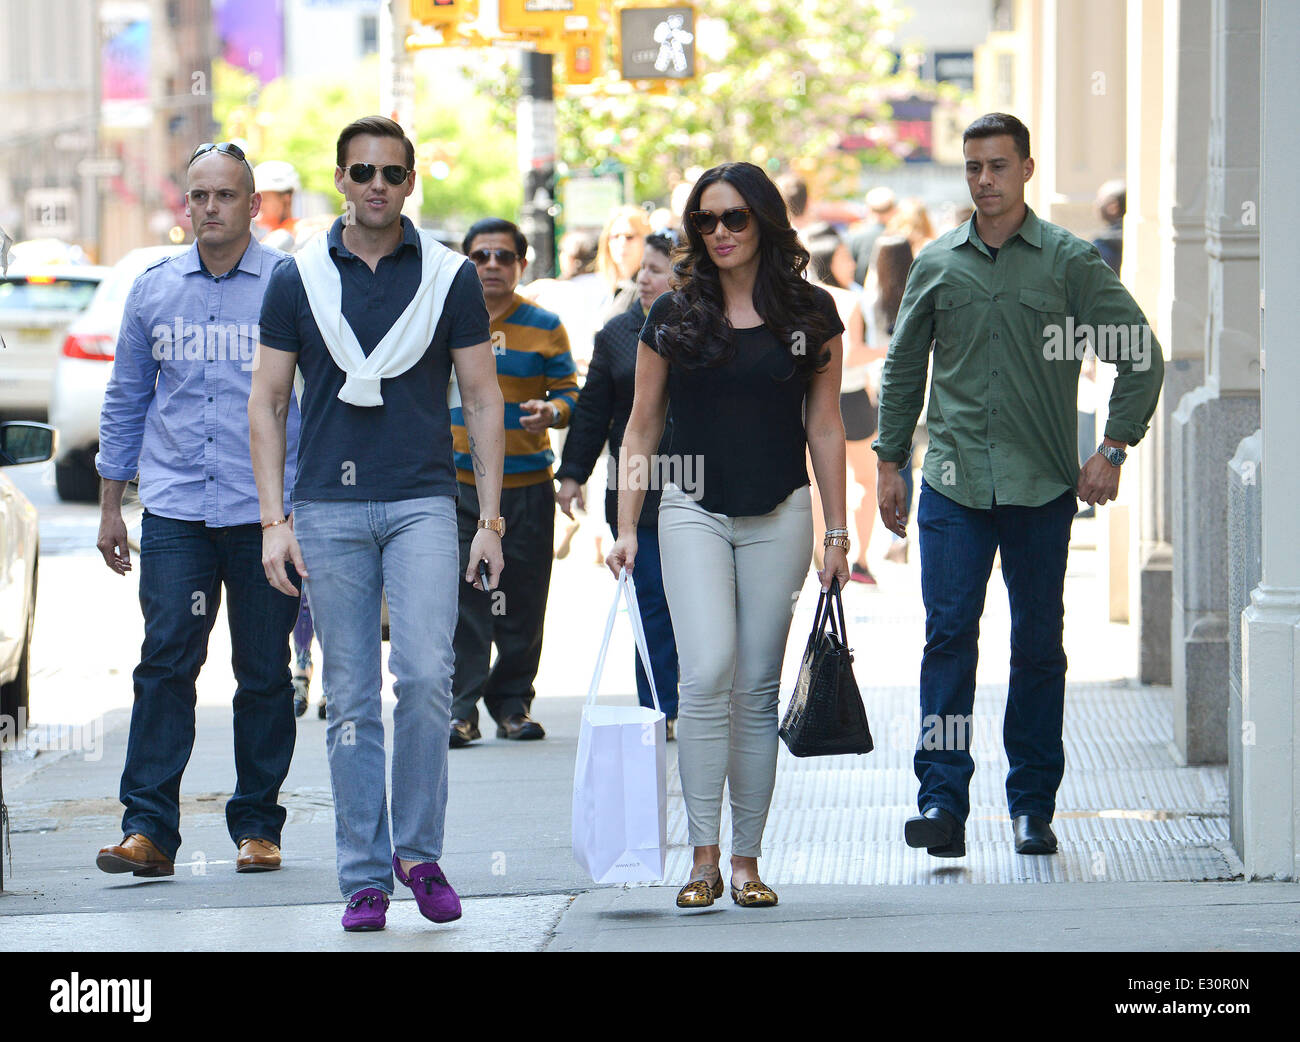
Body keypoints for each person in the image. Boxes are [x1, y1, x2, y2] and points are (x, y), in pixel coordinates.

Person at [874, 112, 1165, 860]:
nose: (984, 181)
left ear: (1027, 171)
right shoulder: (937, 264)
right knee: (948, 642)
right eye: (973, 167)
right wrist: (888, 461)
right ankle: (941, 800)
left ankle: (1033, 805)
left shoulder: (1068, 262)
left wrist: (1113, 448)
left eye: (998, 166)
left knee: (1038, 648)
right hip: (952, 485)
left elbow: (1140, 354)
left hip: (1040, 489)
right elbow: (905, 367)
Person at [250, 115, 505, 932]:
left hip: (423, 500)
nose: (376, 186)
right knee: (352, 696)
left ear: (410, 183)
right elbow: (268, 401)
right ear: (341, 179)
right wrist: (272, 520)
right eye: (361, 171)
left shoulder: (447, 276)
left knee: (428, 678)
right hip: (325, 507)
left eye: (391, 174)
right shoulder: (297, 279)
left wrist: (491, 519)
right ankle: (363, 875)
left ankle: (419, 854)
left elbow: (486, 398)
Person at [609, 162, 849, 910]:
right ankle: (701, 855)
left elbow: (826, 423)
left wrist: (837, 530)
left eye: (735, 218)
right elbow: (642, 425)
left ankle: (745, 860)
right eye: (706, 221)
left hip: (780, 511)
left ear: (765, 224)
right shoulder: (674, 315)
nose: (719, 232)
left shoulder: (812, 315)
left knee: (756, 685)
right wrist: (623, 525)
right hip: (690, 507)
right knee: (705, 671)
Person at [94, 141, 300, 879]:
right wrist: (112, 505)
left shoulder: (288, 284)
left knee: (264, 671)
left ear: (252, 204)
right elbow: (125, 398)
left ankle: (257, 825)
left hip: (264, 514)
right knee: (165, 664)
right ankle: (147, 830)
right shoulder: (153, 290)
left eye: (225, 195)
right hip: (178, 511)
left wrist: (305, 508)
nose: (210, 208)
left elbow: (315, 398)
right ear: (188, 205)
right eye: (199, 196)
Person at [447, 218, 579, 747]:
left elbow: (571, 393)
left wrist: (552, 410)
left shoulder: (545, 325)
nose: (492, 265)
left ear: (522, 264)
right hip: (458, 485)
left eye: (504, 256)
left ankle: (512, 704)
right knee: (464, 598)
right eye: (481, 256)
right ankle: (461, 711)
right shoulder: (446, 322)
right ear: (467, 263)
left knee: (524, 596)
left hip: (528, 485)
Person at [556, 232, 680, 735]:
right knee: (650, 600)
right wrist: (571, 474)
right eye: (643, 268)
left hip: (703, 490)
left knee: (697, 604)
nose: (643, 277)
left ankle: (702, 703)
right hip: (635, 491)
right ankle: (661, 708)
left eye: (657, 268)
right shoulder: (617, 333)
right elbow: (592, 412)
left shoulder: (707, 329)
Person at [804, 222, 881, 584]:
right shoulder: (848, 299)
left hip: (811, 400)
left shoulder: (798, 298)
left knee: (815, 484)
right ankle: (861, 557)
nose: (851, 261)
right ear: (829, 260)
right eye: (845, 256)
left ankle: (821, 555)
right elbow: (850, 355)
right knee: (866, 480)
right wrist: (888, 350)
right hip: (849, 398)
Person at [595, 204, 651, 325]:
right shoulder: (605, 284)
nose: (621, 242)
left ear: (645, 239)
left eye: (629, 237)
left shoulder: (648, 287)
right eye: (615, 236)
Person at [847, 185, 897, 287]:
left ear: (868, 209)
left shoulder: (855, 236)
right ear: (893, 210)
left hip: (860, 294)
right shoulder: (899, 237)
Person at [252, 159, 300, 251]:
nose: (258, 206)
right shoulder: (269, 236)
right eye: (255, 199)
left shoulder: (296, 235)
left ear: (286, 199)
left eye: (263, 199)